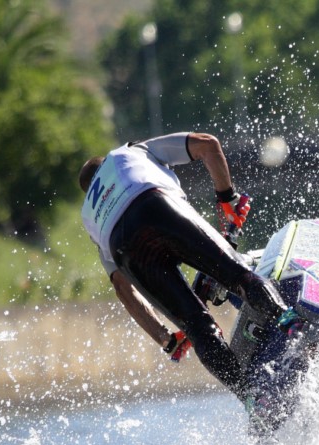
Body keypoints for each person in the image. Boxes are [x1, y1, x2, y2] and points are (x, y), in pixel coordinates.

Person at [78, 132, 302, 403]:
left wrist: (166, 339)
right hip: (154, 205)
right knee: (238, 276)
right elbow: (207, 145)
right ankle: (293, 325)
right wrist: (227, 198)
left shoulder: (90, 217)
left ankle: (250, 397)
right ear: (103, 166)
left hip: (124, 247)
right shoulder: (130, 152)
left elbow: (124, 290)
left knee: (199, 330)